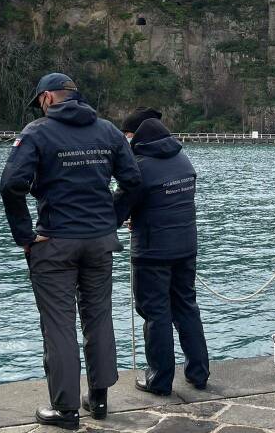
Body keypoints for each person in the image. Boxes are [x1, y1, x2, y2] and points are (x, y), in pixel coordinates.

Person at [0, 73, 141, 429]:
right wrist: (112, 217)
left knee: (59, 326)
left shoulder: (37, 133)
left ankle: (65, 410)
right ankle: (100, 399)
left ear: (48, 98)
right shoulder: (108, 131)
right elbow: (134, 181)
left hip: (55, 242)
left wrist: (24, 236)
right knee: (98, 318)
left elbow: (11, 184)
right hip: (99, 242)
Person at [113, 118, 210, 395]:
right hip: (186, 246)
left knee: (155, 314)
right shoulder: (183, 160)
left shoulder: (140, 167)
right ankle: (199, 373)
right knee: (186, 307)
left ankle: (159, 379)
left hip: (152, 251)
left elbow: (118, 209)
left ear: (138, 142)